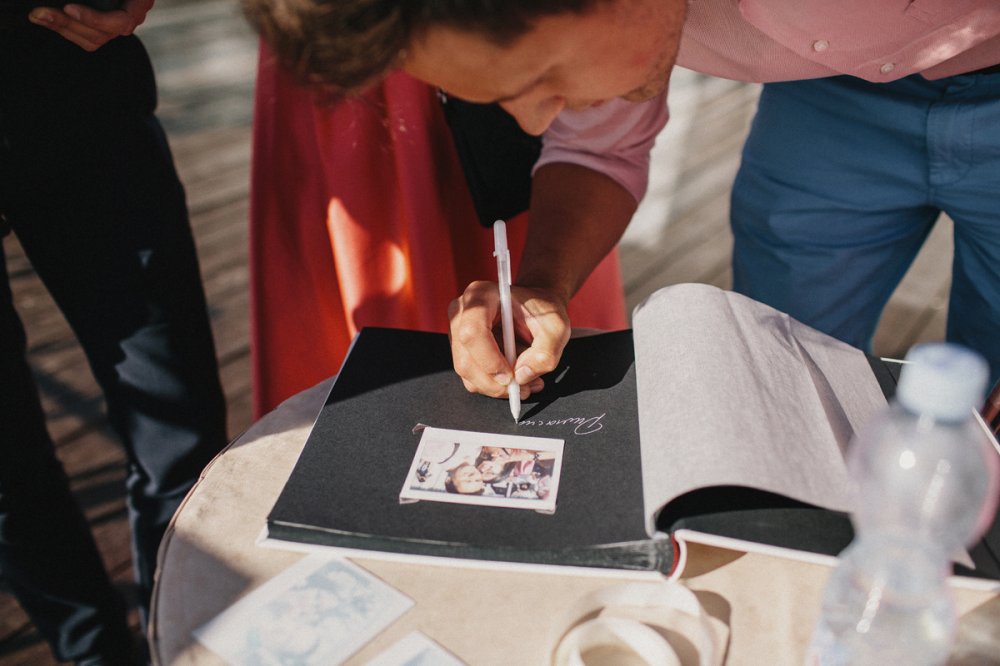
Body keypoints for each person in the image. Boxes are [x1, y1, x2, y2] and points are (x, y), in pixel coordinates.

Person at [241, 0, 1000, 399]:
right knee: (783, 360)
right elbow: (597, 148)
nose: (535, 123)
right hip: (823, 94)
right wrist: (541, 282)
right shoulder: (615, 24)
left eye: (537, 79)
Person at [0, 1, 227, 662]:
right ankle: (93, 654)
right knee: (5, 472)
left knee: (180, 429)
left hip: (74, 79)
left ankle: (175, 644)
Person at [247, 46, 629, 417]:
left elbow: (605, 147)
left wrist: (546, 281)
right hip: (350, 64)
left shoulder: (585, 80)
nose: (535, 123)